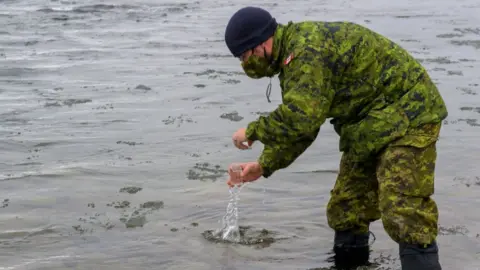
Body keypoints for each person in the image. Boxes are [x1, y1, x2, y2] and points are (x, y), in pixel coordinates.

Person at [223, 6, 448, 270]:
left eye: (246, 55)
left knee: (404, 213)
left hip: (410, 115)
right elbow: (304, 127)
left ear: (261, 42)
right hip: (368, 126)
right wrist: (263, 166)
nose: (245, 64)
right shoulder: (292, 59)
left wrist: (252, 131)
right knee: (346, 210)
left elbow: (301, 117)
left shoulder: (306, 52)